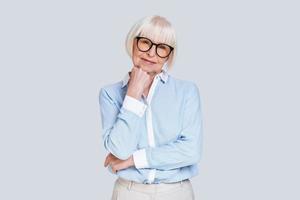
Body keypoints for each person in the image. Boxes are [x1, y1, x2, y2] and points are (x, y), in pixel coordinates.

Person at [98, 15, 203, 200]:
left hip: (176, 192)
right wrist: (132, 96)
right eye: (145, 43)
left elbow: (190, 151)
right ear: (133, 43)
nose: (151, 53)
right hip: (129, 192)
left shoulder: (187, 92)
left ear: (169, 55)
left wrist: (132, 160)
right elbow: (119, 150)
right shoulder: (110, 94)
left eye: (161, 47)